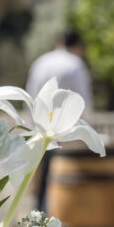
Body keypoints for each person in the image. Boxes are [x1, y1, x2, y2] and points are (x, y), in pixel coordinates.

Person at [26, 30, 94, 211]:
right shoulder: (75, 64)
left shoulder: (40, 62)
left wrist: (31, 130)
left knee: (41, 182)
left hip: (40, 131)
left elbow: (30, 98)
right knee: (62, 182)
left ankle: (39, 219)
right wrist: (87, 133)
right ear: (78, 47)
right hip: (66, 136)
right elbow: (84, 103)